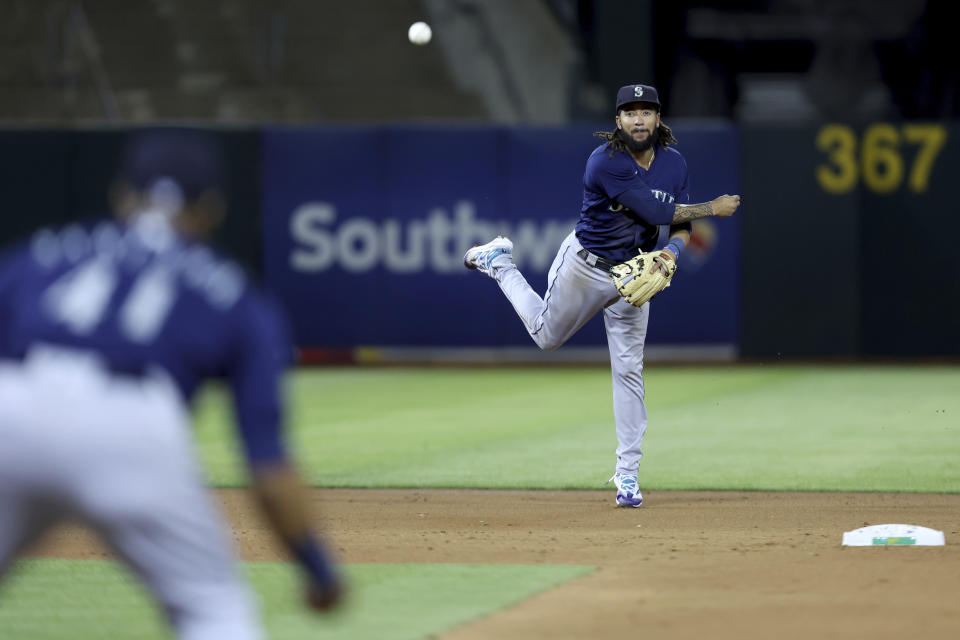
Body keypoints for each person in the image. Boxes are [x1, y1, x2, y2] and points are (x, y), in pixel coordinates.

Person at [0, 129, 342, 638]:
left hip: (14, 407)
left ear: (121, 194)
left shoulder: (39, 255)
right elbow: (268, 465)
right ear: (211, 209)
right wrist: (316, 567)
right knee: (213, 608)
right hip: (133, 425)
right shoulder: (237, 296)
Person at [464, 84, 740, 508]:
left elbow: (678, 228)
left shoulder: (674, 164)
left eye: (646, 111)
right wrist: (712, 208)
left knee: (629, 371)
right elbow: (656, 212)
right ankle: (499, 263)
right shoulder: (604, 161)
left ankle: (627, 476)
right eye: (629, 112)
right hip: (586, 267)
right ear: (618, 121)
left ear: (658, 119)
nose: (638, 119)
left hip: (636, 274)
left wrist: (670, 252)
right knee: (546, 336)